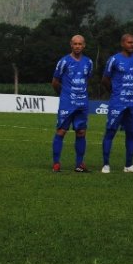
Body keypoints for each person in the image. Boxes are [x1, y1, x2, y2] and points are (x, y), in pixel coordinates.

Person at [101, 33, 133, 174]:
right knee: (110, 132)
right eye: (129, 42)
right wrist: (115, 92)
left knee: (132, 133)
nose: (132, 45)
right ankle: (106, 164)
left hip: (132, 102)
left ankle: (129, 165)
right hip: (117, 102)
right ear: (122, 44)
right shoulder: (114, 59)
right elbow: (105, 79)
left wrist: (131, 90)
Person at [51, 34, 93, 173]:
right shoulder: (64, 61)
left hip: (82, 103)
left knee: (81, 132)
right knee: (61, 131)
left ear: (84, 45)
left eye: (80, 44)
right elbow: (55, 82)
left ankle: (79, 164)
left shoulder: (89, 62)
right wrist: (64, 95)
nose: (77, 46)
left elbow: (87, 80)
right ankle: (56, 163)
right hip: (67, 102)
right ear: (71, 44)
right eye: (75, 44)